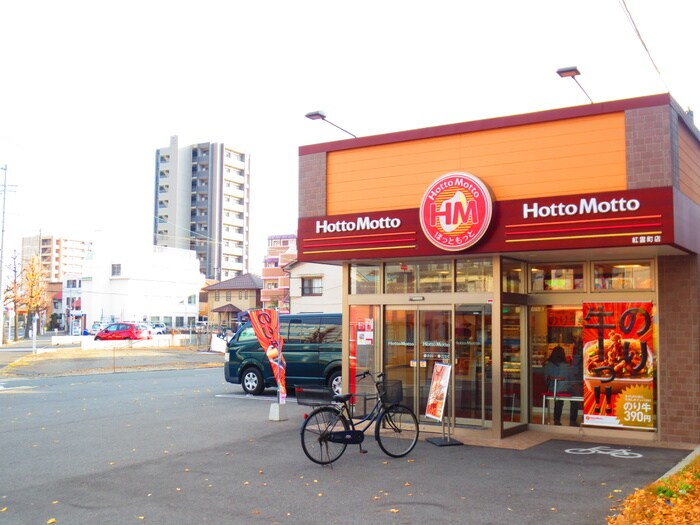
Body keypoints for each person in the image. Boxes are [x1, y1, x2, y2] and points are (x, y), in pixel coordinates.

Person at [545, 345, 569, 425]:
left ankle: (556, 419)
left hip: (552, 388)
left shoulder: (548, 364)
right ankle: (559, 419)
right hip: (562, 389)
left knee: (559, 396)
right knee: (562, 397)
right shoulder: (565, 365)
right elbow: (568, 378)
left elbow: (545, 378)